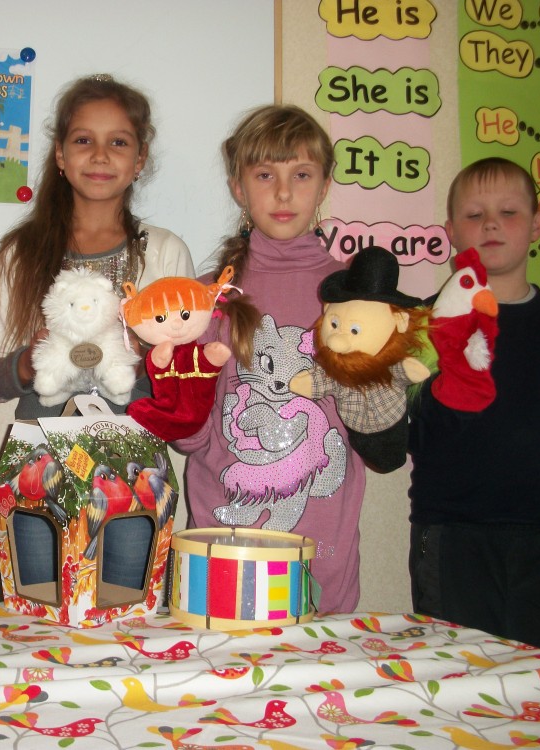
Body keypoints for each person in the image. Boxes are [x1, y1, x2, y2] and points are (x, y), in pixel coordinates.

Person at [0, 74, 195, 591]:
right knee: (41, 612)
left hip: (137, 461)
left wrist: (145, 357)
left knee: (130, 614)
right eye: (83, 140)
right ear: (60, 154)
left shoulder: (164, 251)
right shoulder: (20, 253)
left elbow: (187, 382)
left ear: (140, 159)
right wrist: (27, 362)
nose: (99, 155)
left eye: (118, 142)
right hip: (40, 461)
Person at [173, 104, 367, 615]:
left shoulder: (356, 297)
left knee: (321, 664)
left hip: (324, 541)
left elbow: (373, 422)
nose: (283, 193)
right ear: (238, 188)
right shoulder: (203, 298)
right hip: (225, 534)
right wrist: (173, 395)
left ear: (324, 186)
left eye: (301, 175)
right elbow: (190, 434)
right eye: (265, 175)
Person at [408, 157, 540, 653]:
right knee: (459, 676)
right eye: (475, 215)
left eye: (508, 212)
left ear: (538, 225)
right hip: (453, 536)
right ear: (452, 232)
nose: (491, 224)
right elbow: (407, 432)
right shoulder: (423, 328)